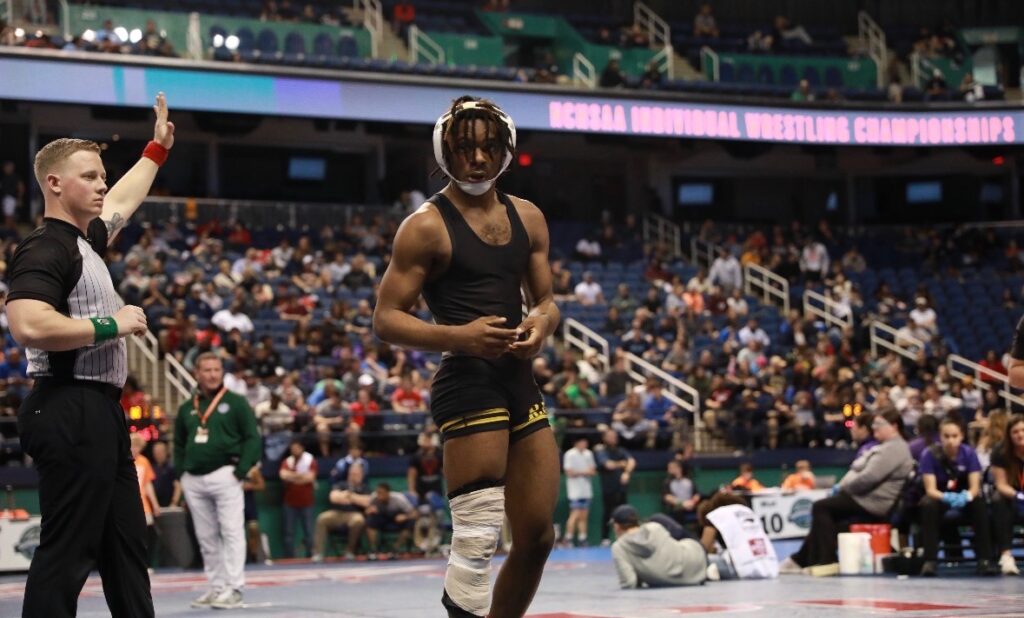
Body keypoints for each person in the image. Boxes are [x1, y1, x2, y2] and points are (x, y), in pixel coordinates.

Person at [373, 96, 561, 618]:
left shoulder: (529, 217)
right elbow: (386, 318)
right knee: (478, 541)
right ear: (444, 152)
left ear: (506, 151)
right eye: (463, 148)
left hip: (519, 381)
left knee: (537, 537)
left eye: (488, 148)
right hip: (467, 384)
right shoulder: (425, 226)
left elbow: (546, 302)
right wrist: (461, 337)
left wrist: (541, 326)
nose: (477, 159)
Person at [7, 93, 174, 618]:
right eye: (90, 176)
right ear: (55, 184)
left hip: (99, 411)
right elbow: (27, 324)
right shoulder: (45, 247)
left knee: (126, 550)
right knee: (67, 553)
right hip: (68, 406)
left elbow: (124, 198)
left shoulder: (86, 242)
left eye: (102, 175)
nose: (102, 184)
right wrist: (111, 324)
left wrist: (155, 151)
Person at [174, 352, 262, 609]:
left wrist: (241, 470)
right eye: (207, 370)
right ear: (197, 374)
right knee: (206, 536)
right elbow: (178, 443)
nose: (213, 375)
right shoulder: (187, 407)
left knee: (232, 531)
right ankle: (217, 587)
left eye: (216, 369)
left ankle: (235, 588)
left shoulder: (236, 402)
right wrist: (181, 473)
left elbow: (252, 438)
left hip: (226, 474)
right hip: (193, 478)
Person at [780, 409, 913, 572]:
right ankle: (800, 560)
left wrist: (844, 488)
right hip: (866, 499)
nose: (874, 428)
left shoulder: (894, 448)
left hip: (872, 503)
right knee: (825, 523)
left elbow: (868, 478)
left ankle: (826, 561)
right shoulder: (886, 447)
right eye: (873, 424)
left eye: (879, 424)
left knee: (821, 507)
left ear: (894, 426)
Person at [916, 417, 997, 576]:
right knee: (927, 504)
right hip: (940, 497)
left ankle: (985, 559)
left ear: (961, 436)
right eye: (946, 436)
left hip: (964, 497)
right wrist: (947, 497)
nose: (950, 440)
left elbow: (975, 487)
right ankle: (930, 560)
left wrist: (966, 496)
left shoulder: (969, 453)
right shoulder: (929, 454)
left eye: (954, 436)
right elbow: (930, 489)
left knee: (979, 503)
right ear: (940, 436)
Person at [610, 504, 707, 588]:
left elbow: (629, 582)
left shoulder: (619, 547)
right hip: (696, 561)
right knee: (658, 518)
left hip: (682, 578)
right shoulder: (655, 527)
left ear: (616, 526)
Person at [697, 491, 779, 580]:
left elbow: (702, 552)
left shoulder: (716, 515)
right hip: (769, 566)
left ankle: (711, 571)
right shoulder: (748, 512)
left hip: (738, 568)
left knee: (697, 562)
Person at [312, 460, 371, 561]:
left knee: (358, 520)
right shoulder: (341, 484)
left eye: (357, 473)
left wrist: (350, 496)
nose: (355, 475)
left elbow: (367, 502)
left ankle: (350, 551)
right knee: (322, 518)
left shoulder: (364, 487)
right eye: (353, 473)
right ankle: (318, 553)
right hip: (337, 513)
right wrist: (355, 499)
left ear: (362, 474)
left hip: (354, 514)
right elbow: (333, 497)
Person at [990, 414, 1024, 575]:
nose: (1020, 434)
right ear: (1009, 435)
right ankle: (1006, 555)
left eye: (1023, 430)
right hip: (1012, 497)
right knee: (998, 499)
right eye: (1015, 432)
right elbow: (1001, 485)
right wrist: (1019, 496)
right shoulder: (1000, 452)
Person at [595, 429, 636, 544]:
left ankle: (625, 537)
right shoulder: (601, 450)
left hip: (621, 488)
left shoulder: (621, 450)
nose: (614, 438)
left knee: (625, 513)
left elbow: (632, 461)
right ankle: (605, 538)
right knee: (608, 513)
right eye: (610, 436)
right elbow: (608, 465)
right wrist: (622, 463)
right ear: (604, 438)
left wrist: (626, 473)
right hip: (608, 488)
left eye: (615, 436)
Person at [279, 439, 317, 558]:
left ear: (302, 448)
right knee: (288, 533)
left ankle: (310, 556)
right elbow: (283, 475)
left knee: (309, 532)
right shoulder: (287, 461)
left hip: (307, 502)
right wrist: (301, 477)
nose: (294, 450)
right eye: (293, 448)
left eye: (297, 448)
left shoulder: (309, 460)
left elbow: (310, 478)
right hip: (289, 503)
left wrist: (292, 477)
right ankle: (289, 558)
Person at [130, 434, 161, 567]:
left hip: (144, 505)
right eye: (133, 446)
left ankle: (147, 563)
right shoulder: (124, 461)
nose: (135, 449)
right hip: (128, 504)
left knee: (149, 533)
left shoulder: (144, 462)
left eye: (138, 447)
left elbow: (148, 485)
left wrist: (155, 504)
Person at [365, 482, 418, 558]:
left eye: (381, 493)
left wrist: (405, 516)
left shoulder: (399, 499)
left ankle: (395, 549)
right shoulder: (374, 498)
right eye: (378, 492)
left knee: (410, 522)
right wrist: (369, 511)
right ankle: (373, 549)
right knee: (370, 520)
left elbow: (415, 513)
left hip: (397, 520)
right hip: (383, 519)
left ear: (388, 493)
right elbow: (367, 511)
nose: (379, 495)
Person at [562, 436, 597, 547]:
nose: (585, 444)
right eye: (582, 442)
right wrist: (585, 472)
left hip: (586, 491)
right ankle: (568, 538)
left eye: (585, 442)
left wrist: (579, 472)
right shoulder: (570, 454)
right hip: (575, 491)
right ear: (576, 443)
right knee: (575, 514)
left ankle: (582, 538)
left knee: (584, 516)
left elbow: (593, 471)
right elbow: (569, 472)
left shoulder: (588, 454)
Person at [662, 460, 700, 526]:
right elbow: (667, 497)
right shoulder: (667, 482)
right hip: (678, 506)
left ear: (679, 468)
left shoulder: (689, 480)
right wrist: (682, 504)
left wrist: (692, 503)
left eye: (671, 468)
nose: (668, 470)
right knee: (677, 511)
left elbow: (696, 494)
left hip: (691, 505)